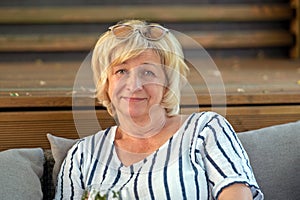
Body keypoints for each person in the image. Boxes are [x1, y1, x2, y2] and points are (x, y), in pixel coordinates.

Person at [55, 19, 263, 199]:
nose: (134, 85)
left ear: (168, 83)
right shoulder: (82, 156)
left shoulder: (204, 129)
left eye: (147, 72)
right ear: (106, 83)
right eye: (121, 71)